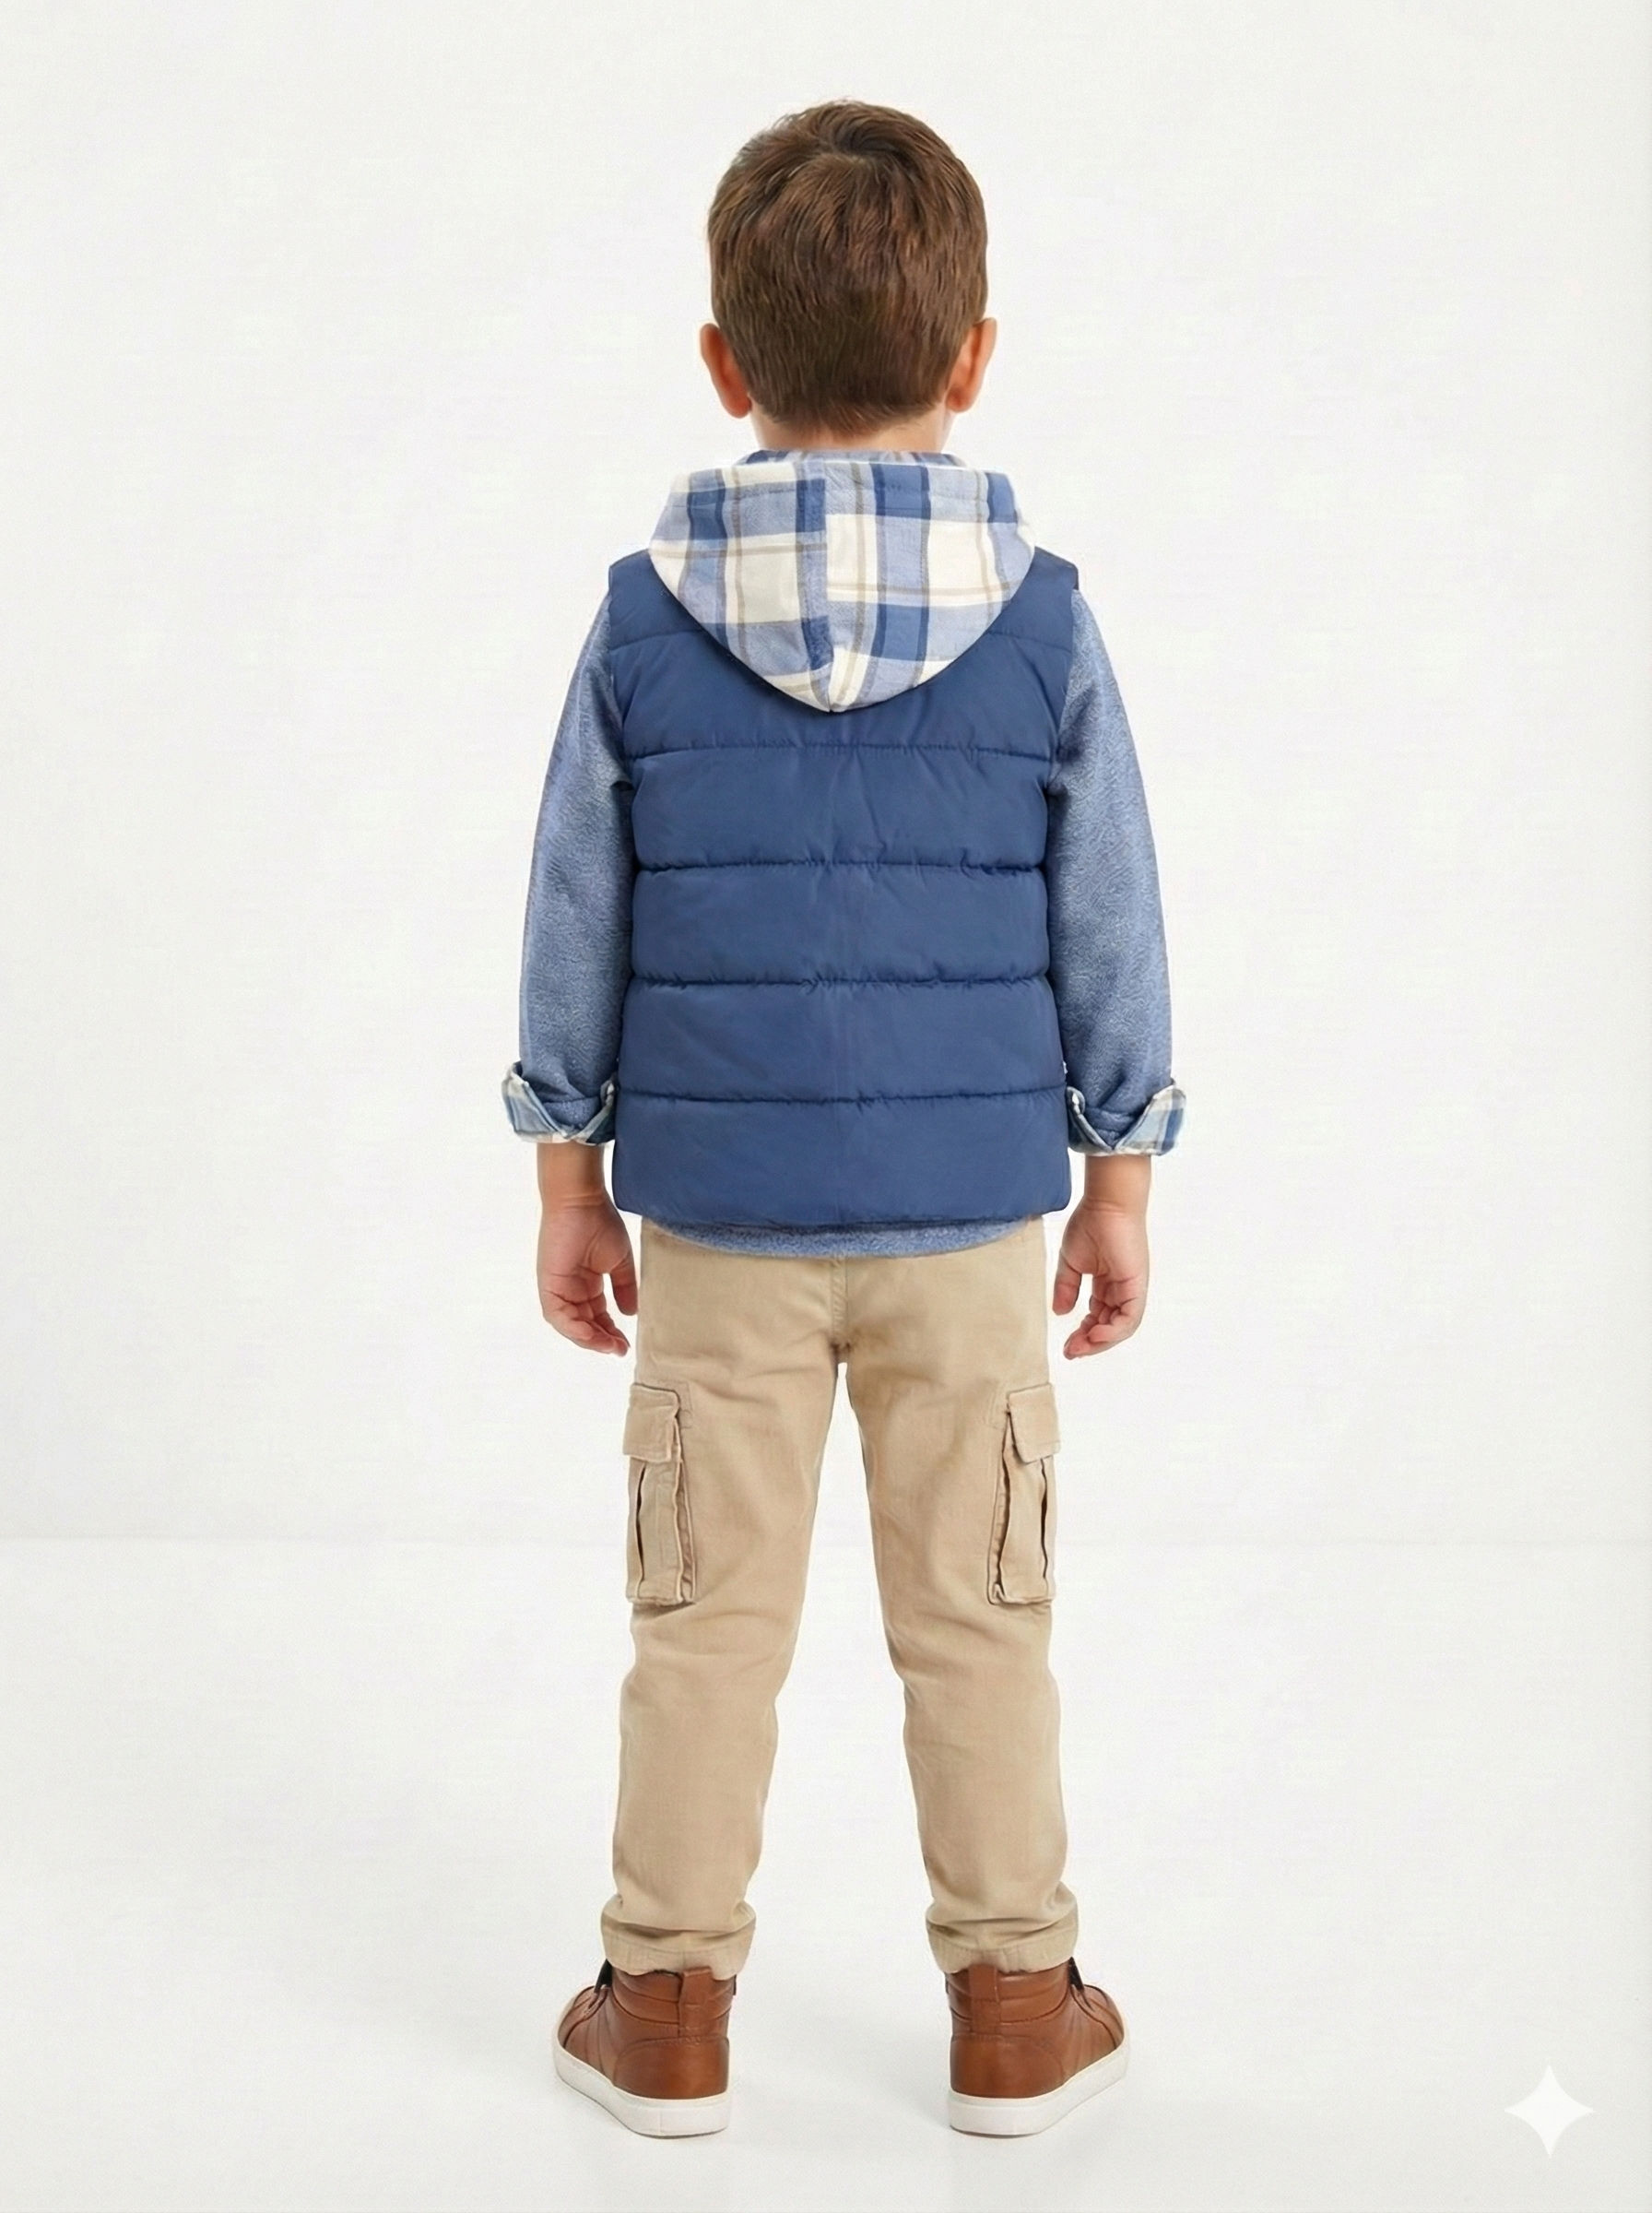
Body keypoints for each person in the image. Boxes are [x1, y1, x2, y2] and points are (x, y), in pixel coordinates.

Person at [502, 100, 1183, 2140]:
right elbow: (1109, 913)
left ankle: (663, 2009)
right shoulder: (1043, 618)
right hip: (971, 1226)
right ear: (973, 354)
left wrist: (565, 1173)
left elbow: (574, 911)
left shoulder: (641, 619)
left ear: (726, 366)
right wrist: (1121, 1171)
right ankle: (1015, 2007)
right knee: (980, 1626)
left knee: (701, 1630)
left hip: (715, 1224)